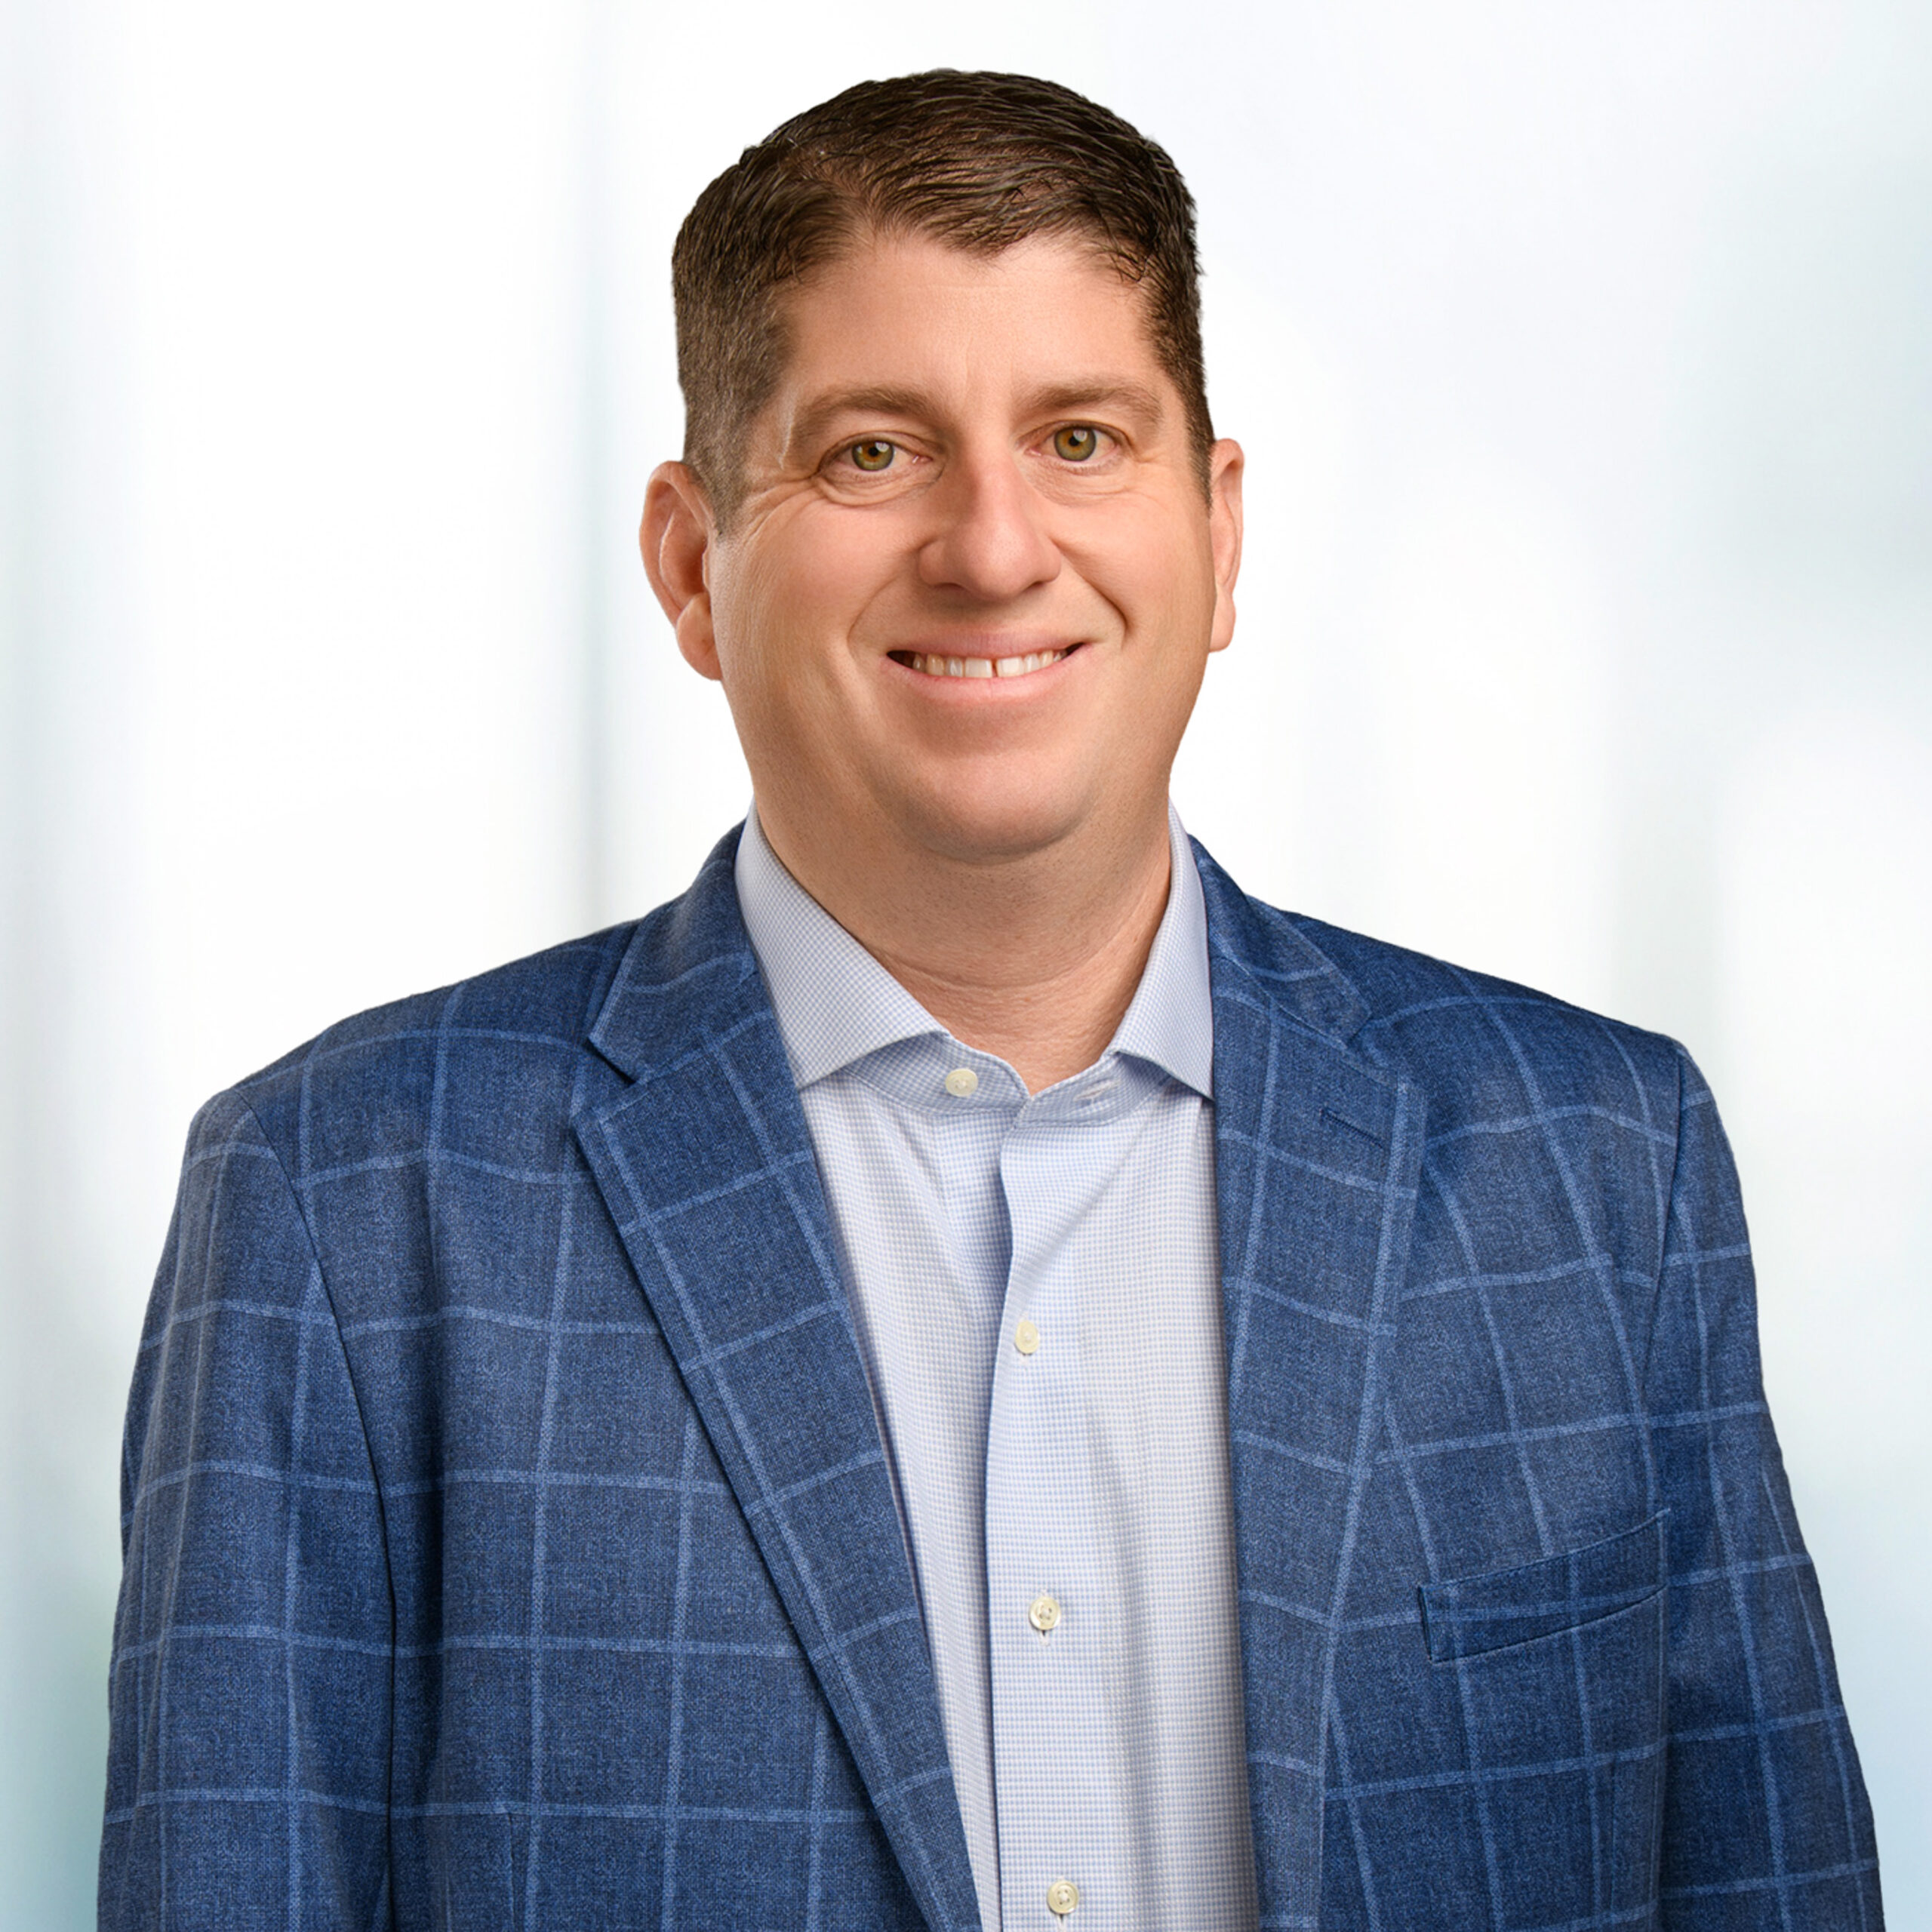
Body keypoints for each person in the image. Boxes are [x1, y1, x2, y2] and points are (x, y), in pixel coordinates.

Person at [100, 69, 1881, 1932]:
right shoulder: (345, 1205)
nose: (993, 544)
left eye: (1082, 438)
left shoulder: (1595, 1172)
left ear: (1220, 529)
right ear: (692, 565)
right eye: (873, 449)